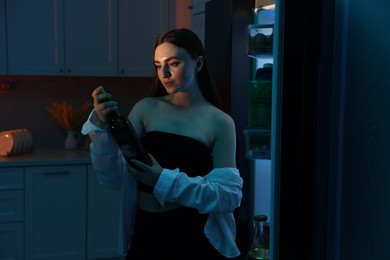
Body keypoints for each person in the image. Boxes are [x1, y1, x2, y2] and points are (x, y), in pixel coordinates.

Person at [81, 28, 243, 259]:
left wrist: (161, 179)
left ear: (198, 64)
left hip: (192, 234)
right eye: (158, 65)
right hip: (147, 230)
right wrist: (100, 126)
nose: (164, 73)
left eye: (173, 63)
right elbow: (112, 176)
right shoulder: (146, 108)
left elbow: (228, 196)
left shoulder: (220, 122)